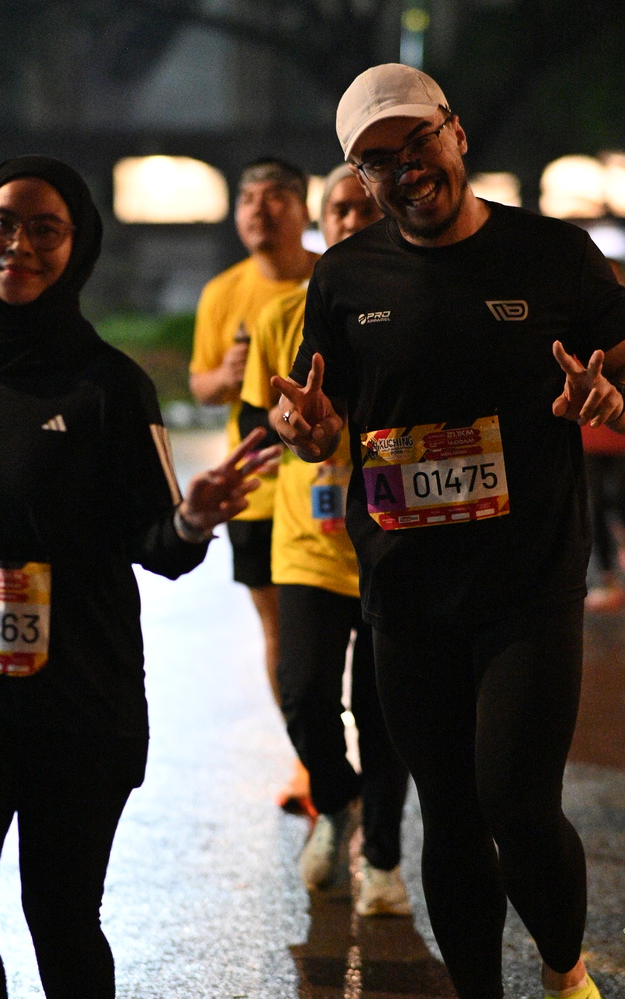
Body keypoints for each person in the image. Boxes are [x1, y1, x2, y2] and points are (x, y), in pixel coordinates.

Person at [271, 63, 625, 999]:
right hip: (406, 590)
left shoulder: (554, 255)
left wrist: (611, 400)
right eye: (377, 160)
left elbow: (623, 367)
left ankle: (565, 973)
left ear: (456, 132)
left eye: (417, 141)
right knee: (451, 812)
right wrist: (308, 431)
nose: (405, 169)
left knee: (517, 801)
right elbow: (320, 412)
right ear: (360, 176)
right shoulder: (345, 276)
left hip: (527, 585)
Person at [0, 154, 280, 999]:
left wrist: (194, 518)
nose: (19, 244)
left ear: (80, 246)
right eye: (2, 222)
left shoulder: (108, 387)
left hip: (78, 705)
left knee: (61, 917)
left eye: (45, 228)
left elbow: (162, 545)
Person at [240, 164, 410, 915]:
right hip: (307, 543)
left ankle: (383, 859)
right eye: (339, 209)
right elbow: (258, 419)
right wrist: (292, 425)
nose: (350, 221)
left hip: (395, 545)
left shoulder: (415, 308)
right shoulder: (284, 314)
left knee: (385, 712)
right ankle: (335, 803)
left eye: (364, 210)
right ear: (322, 220)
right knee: (304, 692)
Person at [190, 157, 319, 811]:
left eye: (274, 198)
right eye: (248, 200)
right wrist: (228, 373)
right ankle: (310, 756)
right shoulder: (223, 291)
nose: (259, 211)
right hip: (258, 490)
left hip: (330, 484)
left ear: (303, 209)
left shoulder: (333, 278)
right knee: (280, 632)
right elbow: (202, 384)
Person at [582, 258, 625, 611]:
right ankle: (608, 576)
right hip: (591, 437)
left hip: (620, 437)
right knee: (594, 508)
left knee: (618, 503)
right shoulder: (576, 322)